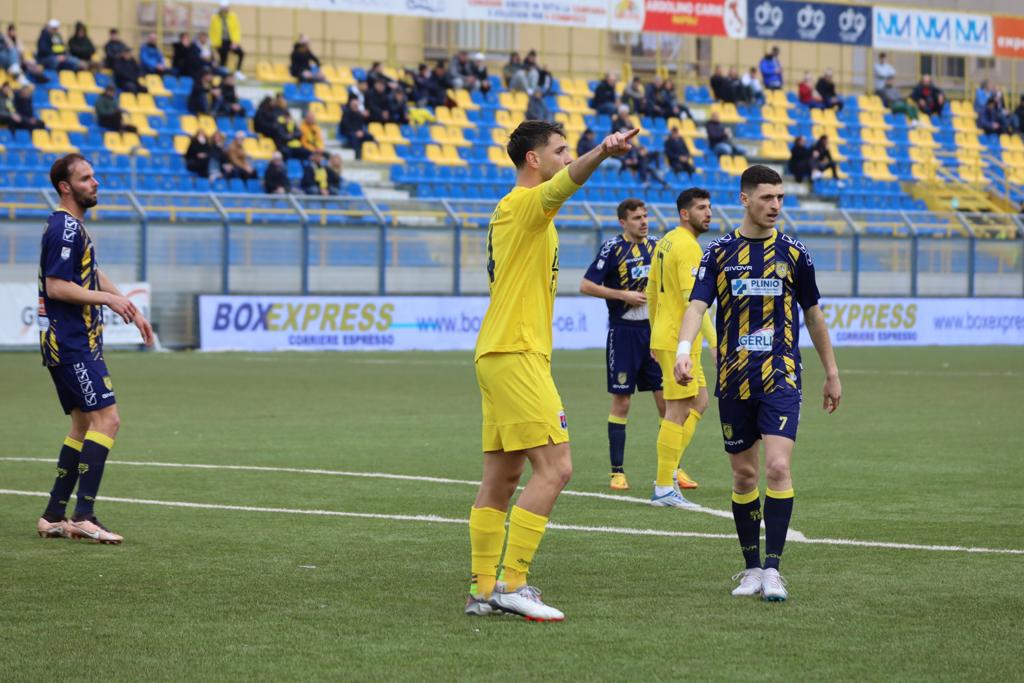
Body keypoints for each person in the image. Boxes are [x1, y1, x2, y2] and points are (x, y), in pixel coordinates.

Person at [465, 120, 639, 622]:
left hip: (501, 352)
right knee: (557, 468)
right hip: (516, 353)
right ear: (534, 159)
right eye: (561, 150)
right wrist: (603, 151)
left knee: (503, 477)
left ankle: (482, 589)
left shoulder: (516, 211)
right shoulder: (526, 202)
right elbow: (569, 182)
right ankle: (513, 583)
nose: (567, 157)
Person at [673, 164, 841, 602]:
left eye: (781, 198)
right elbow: (695, 307)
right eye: (767, 198)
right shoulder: (718, 253)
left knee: (778, 468)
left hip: (782, 375)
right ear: (744, 200)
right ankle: (750, 568)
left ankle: (774, 569)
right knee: (744, 475)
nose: (776, 206)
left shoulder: (795, 253)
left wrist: (832, 373)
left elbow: (814, 315)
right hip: (733, 378)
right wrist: (683, 350)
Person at [35, 153, 154, 544]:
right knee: (108, 420)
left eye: (94, 176)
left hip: (72, 343)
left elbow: (91, 272)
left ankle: (54, 515)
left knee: (82, 425)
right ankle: (83, 515)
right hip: (72, 343)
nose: (95, 182)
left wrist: (128, 306)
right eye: (86, 178)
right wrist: (107, 300)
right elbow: (56, 286)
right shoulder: (64, 230)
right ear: (65, 187)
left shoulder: (74, 229)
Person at [578, 199, 664, 491]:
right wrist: (621, 295)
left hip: (654, 332)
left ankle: (672, 470)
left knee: (667, 402)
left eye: (645, 216)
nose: (643, 221)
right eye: (637, 218)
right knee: (622, 401)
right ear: (623, 223)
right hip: (624, 332)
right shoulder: (612, 249)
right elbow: (586, 285)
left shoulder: (658, 246)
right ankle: (617, 472)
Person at [647, 187, 720, 503]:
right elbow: (695, 303)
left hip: (669, 336)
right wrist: (716, 344)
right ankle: (664, 485)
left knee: (700, 401)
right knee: (676, 410)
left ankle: (670, 468)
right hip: (680, 340)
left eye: (709, 207)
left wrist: (654, 333)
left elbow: (651, 291)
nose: (708, 213)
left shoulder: (664, 241)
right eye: (701, 208)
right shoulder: (688, 248)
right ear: (684, 213)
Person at [210, 0, 245, 79]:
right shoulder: (215, 18)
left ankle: (238, 71)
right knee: (223, 58)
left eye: (226, 8)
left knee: (241, 53)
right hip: (220, 42)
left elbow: (236, 29)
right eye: (223, 8)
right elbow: (212, 31)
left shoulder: (233, 16)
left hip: (231, 41)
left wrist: (235, 42)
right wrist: (215, 44)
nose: (225, 9)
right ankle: (222, 76)